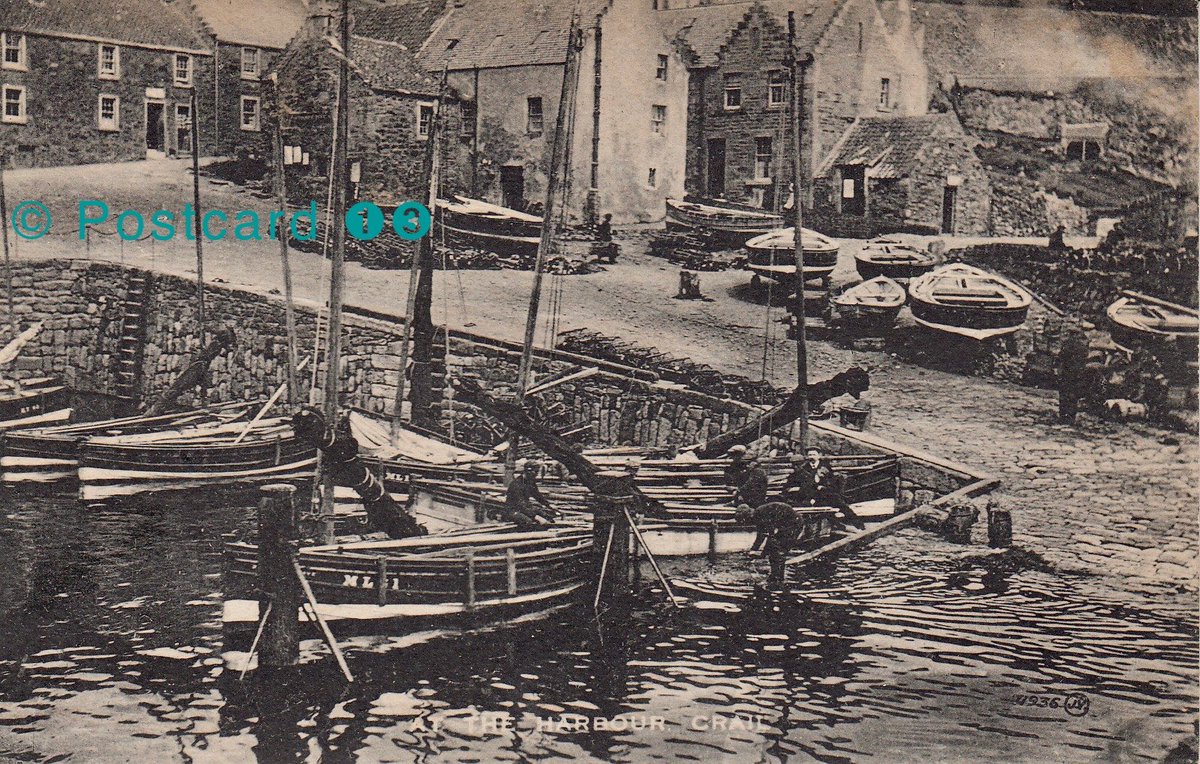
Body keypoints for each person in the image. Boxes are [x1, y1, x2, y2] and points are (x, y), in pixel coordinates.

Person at [783, 447, 865, 530]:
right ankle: (839, 526)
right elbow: (801, 485)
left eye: (813, 454)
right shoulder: (804, 468)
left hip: (825, 494)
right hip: (810, 495)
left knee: (839, 503)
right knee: (821, 509)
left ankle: (858, 524)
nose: (811, 457)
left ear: (819, 456)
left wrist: (823, 487)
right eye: (809, 455)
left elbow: (832, 481)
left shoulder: (825, 467)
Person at [735, 502, 803, 585]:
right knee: (775, 552)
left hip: (793, 524)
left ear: (748, 516)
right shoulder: (758, 513)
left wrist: (762, 553)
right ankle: (776, 577)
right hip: (786, 524)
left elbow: (770, 536)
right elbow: (761, 535)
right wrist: (753, 550)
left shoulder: (760, 514)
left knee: (777, 552)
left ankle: (778, 579)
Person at [502, 459, 558, 528]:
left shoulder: (530, 482)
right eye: (536, 471)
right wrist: (536, 516)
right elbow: (521, 505)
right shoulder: (516, 485)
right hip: (513, 511)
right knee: (528, 522)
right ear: (528, 471)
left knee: (548, 516)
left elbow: (538, 496)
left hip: (526, 508)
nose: (537, 474)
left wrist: (549, 505)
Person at [1057, 328, 1090, 424]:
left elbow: (1061, 357)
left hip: (1066, 373)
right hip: (1077, 374)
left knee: (1064, 396)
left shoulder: (1066, 344)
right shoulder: (1082, 346)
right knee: (1073, 397)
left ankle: (1063, 417)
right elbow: (1085, 358)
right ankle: (1071, 418)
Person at [725, 445, 768, 510]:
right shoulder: (745, 469)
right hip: (746, 496)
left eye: (749, 463)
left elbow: (750, 484)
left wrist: (738, 491)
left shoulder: (758, 471)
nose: (747, 465)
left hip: (755, 499)